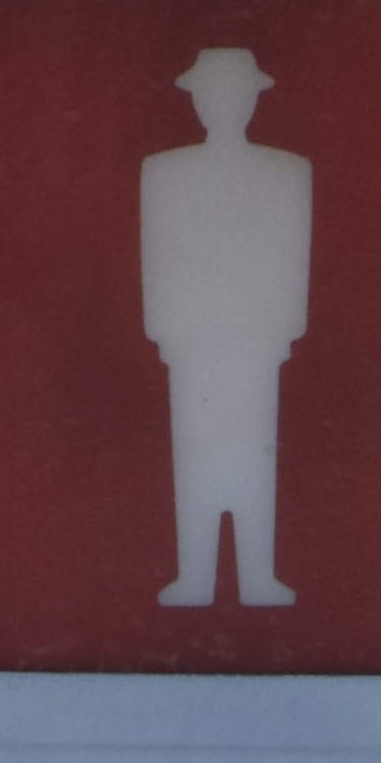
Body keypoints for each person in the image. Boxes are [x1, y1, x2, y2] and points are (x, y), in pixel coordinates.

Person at [141, 48, 311, 607]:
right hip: (191, 339)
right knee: (198, 457)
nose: (223, 106)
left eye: (235, 94)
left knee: (251, 456)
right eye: (212, 95)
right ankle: (195, 576)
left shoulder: (286, 173)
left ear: (253, 100)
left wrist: (283, 327)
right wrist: (166, 328)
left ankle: (258, 576)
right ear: (196, 101)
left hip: (258, 338)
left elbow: (290, 254)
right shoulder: (165, 173)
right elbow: (160, 255)